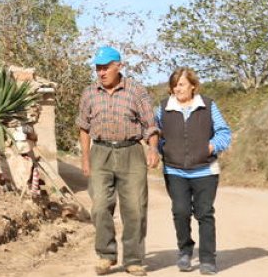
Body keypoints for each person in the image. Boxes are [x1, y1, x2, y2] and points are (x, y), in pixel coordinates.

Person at [77, 45, 160, 276]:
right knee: (101, 206)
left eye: (105, 68)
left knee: (135, 208)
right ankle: (106, 255)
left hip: (131, 152)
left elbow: (150, 125)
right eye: (98, 69)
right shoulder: (89, 93)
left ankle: (133, 259)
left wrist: (153, 149)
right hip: (100, 153)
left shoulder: (136, 91)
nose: (101, 73)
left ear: (119, 66)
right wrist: (85, 158)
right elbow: (83, 127)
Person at [155, 67, 232, 275]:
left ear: (192, 85)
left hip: (205, 170)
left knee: (204, 213)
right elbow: (154, 132)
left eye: (180, 84)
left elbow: (224, 131)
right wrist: (163, 147)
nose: (176, 88)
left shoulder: (207, 105)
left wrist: (211, 146)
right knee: (180, 211)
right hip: (174, 170)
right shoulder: (163, 108)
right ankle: (185, 251)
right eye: (174, 84)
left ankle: (208, 259)